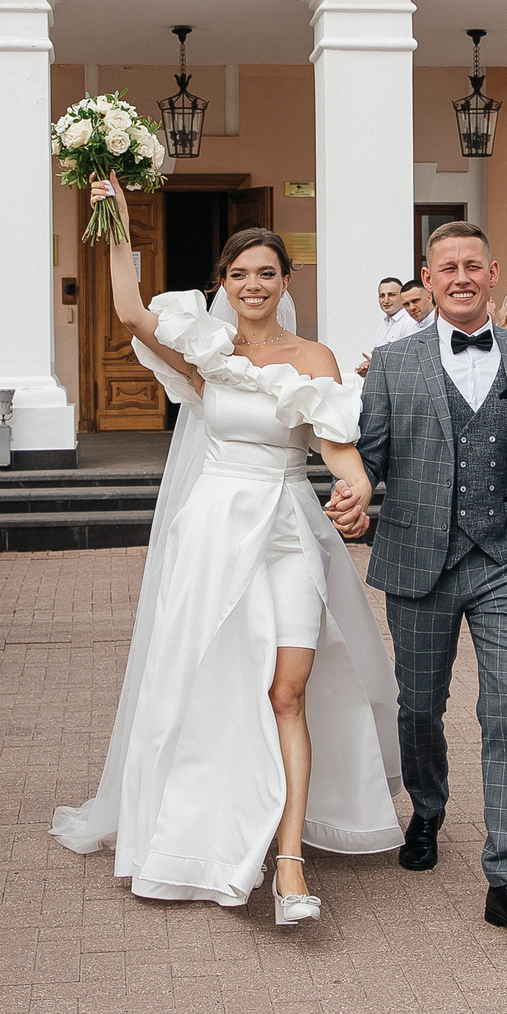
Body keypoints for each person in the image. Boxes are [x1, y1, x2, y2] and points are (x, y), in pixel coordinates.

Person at [55, 179, 398, 922]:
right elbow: (128, 311)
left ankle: (290, 862)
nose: (253, 285)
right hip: (213, 532)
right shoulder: (206, 354)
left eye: (266, 272)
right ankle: (198, 831)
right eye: (239, 273)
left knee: (287, 688)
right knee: (204, 679)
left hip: (287, 533)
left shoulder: (314, 358)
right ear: (222, 282)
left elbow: (340, 450)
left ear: (284, 282)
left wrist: (358, 492)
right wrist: (113, 217)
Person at [340, 221, 507, 945]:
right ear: (429, 275)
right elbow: (371, 455)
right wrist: (354, 492)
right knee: (419, 706)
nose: (462, 277)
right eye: (447, 267)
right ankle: (428, 804)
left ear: (493, 269)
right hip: (421, 557)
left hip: (506, 557)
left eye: (473, 265)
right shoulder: (391, 361)